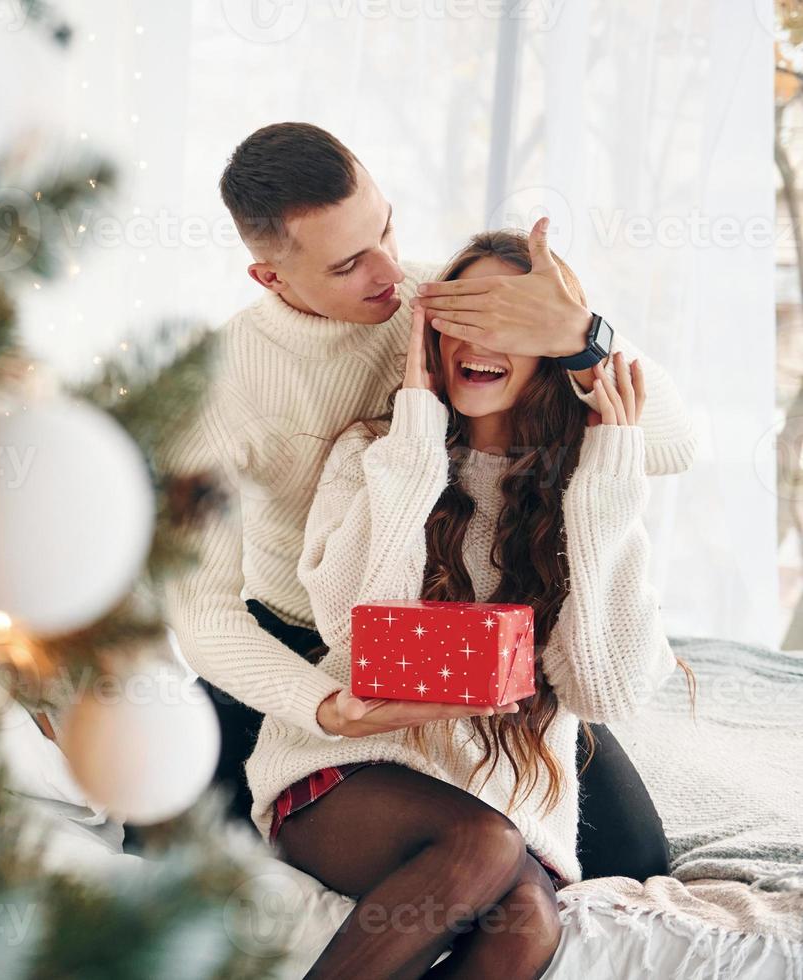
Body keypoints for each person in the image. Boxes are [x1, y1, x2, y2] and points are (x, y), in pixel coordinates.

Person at [161, 123, 692, 883]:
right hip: (310, 641)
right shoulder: (216, 385)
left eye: (385, 228)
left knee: (632, 862)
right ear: (271, 279)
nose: (392, 272)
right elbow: (203, 611)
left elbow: (670, 445)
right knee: (187, 864)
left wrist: (581, 335)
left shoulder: (440, 300)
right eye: (348, 264)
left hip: (467, 633)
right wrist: (323, 705)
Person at [248, 230, 689, 977]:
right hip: (356, 775)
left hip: (502, 803)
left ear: (549, 345)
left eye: (508, 323)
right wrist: (416, 432)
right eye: (464, 318)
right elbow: (357, 633)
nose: (480, 340)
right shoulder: (373, 453)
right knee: (485, 845)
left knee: (526, 924)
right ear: (430, 331)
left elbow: (602, 689)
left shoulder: (590, 481)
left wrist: (607, 484)